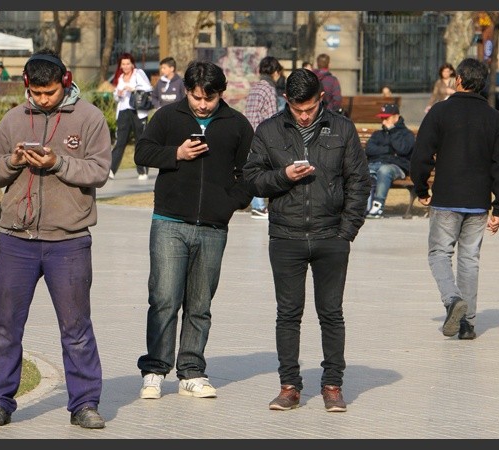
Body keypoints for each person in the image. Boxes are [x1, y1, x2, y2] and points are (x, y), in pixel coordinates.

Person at [0, 48, 112, 429]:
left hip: (68, 242)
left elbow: (100, 170)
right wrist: (13, 162)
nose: (42, 100)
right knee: (5, 327)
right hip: (16, 241)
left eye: (49, 93)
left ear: (65, 82)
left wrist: (58, 163)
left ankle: (85, 403)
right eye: (36, 94)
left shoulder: (90, 118)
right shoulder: (13, 119)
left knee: (76, 328)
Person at [243, 68, 370, 413]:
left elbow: (359, 181)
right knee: (288, 313)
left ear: (321, 100)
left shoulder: (341, 129)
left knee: (331, 313)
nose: (303, 115)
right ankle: (289, 386)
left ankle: (332, 385)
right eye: (298, 109)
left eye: (310, 108)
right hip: (286, 235)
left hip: (331, 236)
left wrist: (347, 232)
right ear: (287, 101)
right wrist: (282, 176)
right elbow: (252, 180)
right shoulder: (269, 130)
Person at [133, 60, 254, 401]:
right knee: (164, 298)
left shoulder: (237, 124)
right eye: (196, 96)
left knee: (200, 302)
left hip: (214, 227)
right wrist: (177, 153)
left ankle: (191, 371)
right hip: (169, 222)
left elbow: (250, 171)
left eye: (209, 97)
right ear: (186, 91)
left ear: (220, 94)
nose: (202, 104)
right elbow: (143, 150)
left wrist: (230, 204)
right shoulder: (169, 117)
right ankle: (155, 369)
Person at [410, 57, 499, 341]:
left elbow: (420, 156)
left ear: (459, 80)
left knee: (439, 254)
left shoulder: (441, 112)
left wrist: (421, 189)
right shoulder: (494, 118)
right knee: (469, 259)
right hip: (479, 201)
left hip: (446, 198)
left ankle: (453, 300)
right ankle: (467, 323)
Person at [243, 55, 283, 220]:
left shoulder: (256, 86)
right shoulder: (268, 88)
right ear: (275, 72)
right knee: (262, 169)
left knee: (255, 168)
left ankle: (257, 205)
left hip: (250, 131)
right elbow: (271, 115)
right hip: (261, 133)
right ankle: (259, 206)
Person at [364, 103, 415, 218]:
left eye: (386, 118)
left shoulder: (407, 134)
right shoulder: (378, 134)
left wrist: (393, 131)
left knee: (384, 170)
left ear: (396, 117)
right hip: (374, 164)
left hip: (397, 167)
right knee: (364, 171)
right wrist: (389, 150)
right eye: (382, 118)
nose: (383, 122)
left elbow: (402, 150)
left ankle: (378, 206)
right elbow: (369, 150)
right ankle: (364, 206)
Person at [109, 52, 153, 181]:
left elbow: (148, 87)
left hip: (138, 111)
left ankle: (142, 170)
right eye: (123, 64)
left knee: (140, 140)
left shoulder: (138, 73)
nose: (126, 66)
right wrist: (119, 93)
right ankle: (111, 170)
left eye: (128, 63)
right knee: (120, 141)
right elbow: (116, 96)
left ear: (132, 64)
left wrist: (133, 88)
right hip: (123, 110)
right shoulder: (120, 77)